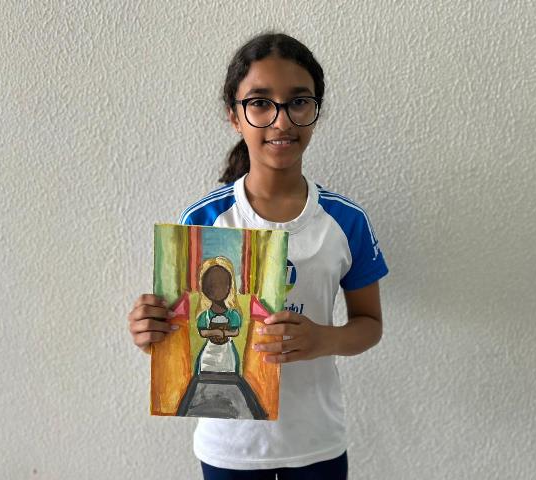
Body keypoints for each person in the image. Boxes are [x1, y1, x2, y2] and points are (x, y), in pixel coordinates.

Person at [128, 32, 389, 480]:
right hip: (230, 449)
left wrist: (323, 339)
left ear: (315, 111)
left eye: (298, 102)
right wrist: (149, 329)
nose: (281, 120)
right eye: (261, 103)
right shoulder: (204, 221)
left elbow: (370, 325)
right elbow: (176, 331)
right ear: (235, 116)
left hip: (317, 443)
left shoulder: (346, 221)